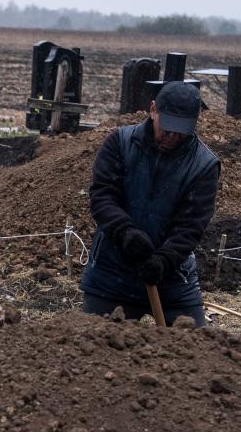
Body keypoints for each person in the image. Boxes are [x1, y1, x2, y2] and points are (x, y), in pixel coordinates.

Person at [81, 81, 220, 326]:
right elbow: (102, 197)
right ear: (153, 110)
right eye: (167, 128)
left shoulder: (204, 165)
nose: (173, 137)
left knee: (195, 349)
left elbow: (191, 226)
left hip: (173, 279)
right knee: (94, 346)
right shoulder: (120, 143)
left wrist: (164, 260)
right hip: (112, 274)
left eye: (181, 130)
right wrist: (125, 233)